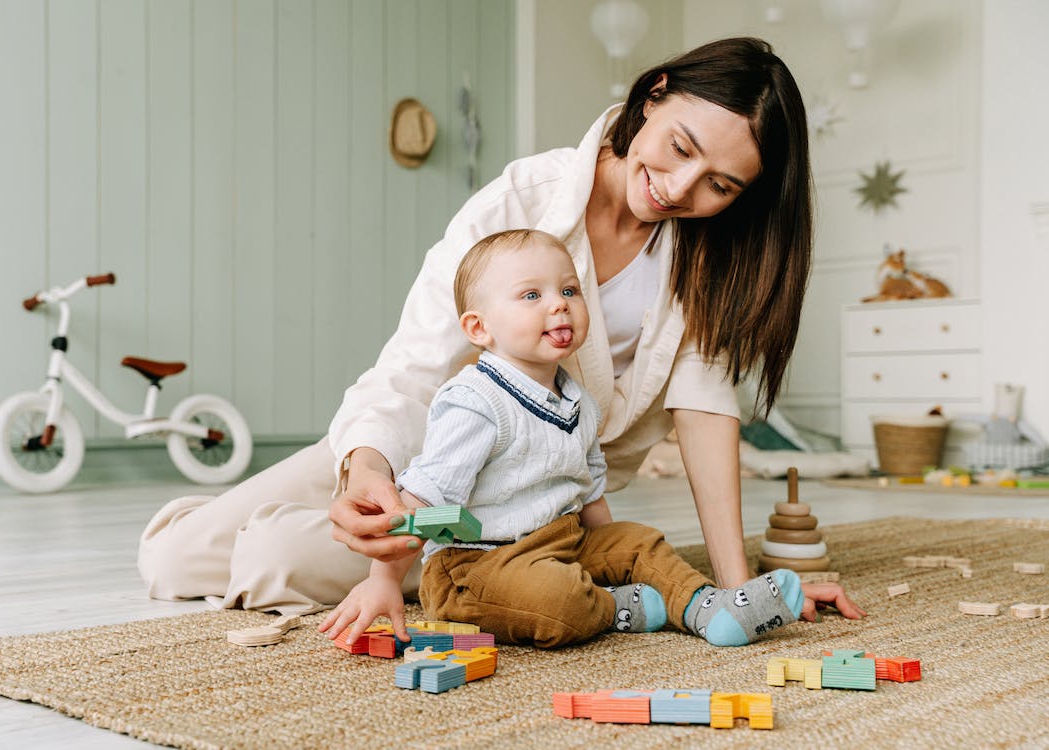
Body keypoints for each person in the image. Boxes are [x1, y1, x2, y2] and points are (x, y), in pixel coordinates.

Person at [137, 37, 864, 623]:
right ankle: (309, 516)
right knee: (170, 560)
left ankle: (483, 567)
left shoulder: (708, 261)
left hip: (528, 505)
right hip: (424, 446)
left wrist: (739, 590)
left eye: (719, 185)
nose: (679, 188)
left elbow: (705, 414)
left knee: (272, 559)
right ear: (655, 93)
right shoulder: (524, 199)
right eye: (679, 147)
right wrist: (365, 471)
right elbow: (413, 367)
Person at [319, 228, 809, 648]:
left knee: (641, 542)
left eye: (570, 291)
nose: (559, 304)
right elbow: (424, 502)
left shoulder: (579, 400)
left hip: (561, 540)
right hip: (476, 567)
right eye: (532, 296)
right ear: (479, 327)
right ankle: (613, 607)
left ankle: (711, 609)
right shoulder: (475, 402)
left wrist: (613, 555)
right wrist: (382, 579)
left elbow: (588, 488)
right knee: (558, 599)